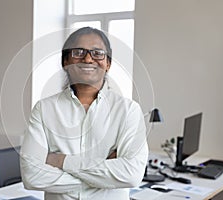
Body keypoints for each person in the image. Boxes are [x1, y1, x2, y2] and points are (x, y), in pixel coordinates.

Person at [20, 27, 148, 200]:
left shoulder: (128, 111)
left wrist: (61, 161)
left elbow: (132, 174)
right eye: (78, 52)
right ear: (65, 61)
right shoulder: (44, 109)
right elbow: (32, 176)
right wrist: (106, 176)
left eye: (97, 53)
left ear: (108, 63)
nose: (88, 59)